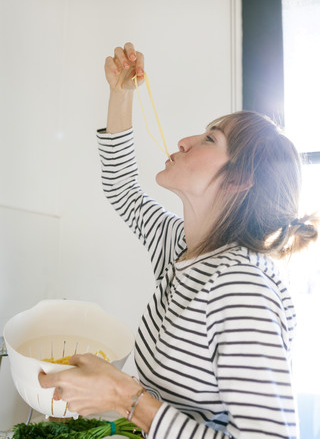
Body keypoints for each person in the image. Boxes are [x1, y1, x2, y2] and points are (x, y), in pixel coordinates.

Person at [39, 42, 318, 438]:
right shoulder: (184, 248)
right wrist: (121, 93)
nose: (185, 140)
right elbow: (122, 190)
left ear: (240, 180)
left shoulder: (242, 289)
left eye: (210, 139)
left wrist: (126, 398)